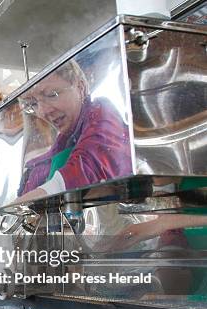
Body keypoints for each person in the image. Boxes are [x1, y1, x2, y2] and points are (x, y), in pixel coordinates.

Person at [16, 60, 132, 202]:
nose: (43, 111)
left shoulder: (103, 113)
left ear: (81, 87)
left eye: (52, 95)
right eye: (33, 104)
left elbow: (91, 165)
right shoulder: (64, 141)